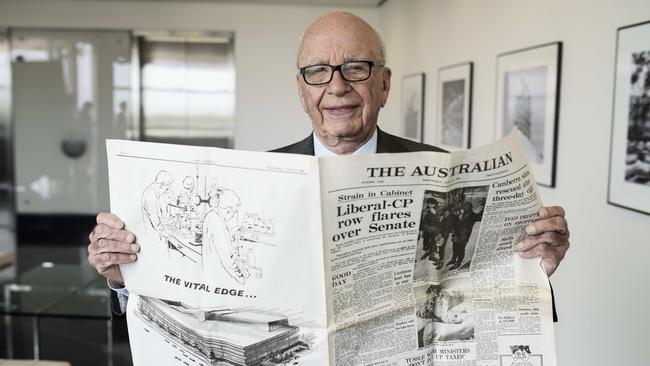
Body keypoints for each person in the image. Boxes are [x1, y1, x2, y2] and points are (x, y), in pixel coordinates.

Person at [87, 11, 570, 313]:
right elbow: (202, 299)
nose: (336, 86)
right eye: (318, 72)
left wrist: (534, 270)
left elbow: (491, 300)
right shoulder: (253, 180)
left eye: (355, 68)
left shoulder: (449, 175)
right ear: (302, 91)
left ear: (383, 84)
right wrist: (124, 278)